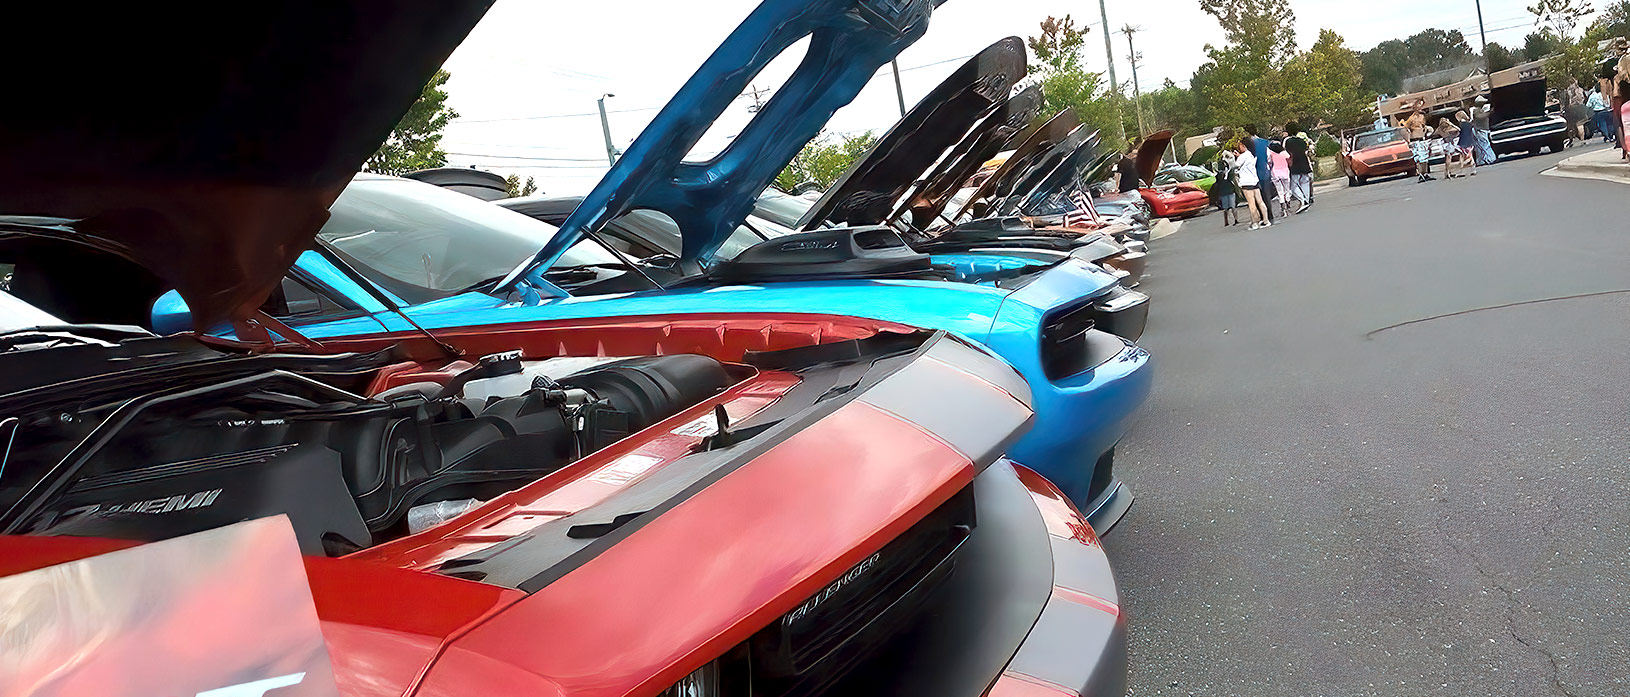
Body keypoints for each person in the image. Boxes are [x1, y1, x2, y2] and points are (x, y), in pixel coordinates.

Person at [1244, 125, 1276, 222]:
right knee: (1266, 195)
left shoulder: (1248, 144)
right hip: (1264, 170)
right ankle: (1269, 215)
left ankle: (1261, 217)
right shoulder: (1264, 142)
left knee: (1256, 196)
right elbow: (1269, 157)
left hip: (1252, 173)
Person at [1235, 141, 1269, 230]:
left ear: (1244, 146)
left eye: (1240, 146)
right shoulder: (1252, 155)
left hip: (1246, 182)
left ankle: (1255, 222)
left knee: (1251, 203)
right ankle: (1266, 220)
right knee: (1260, 201)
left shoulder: (1242, 157)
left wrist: (1234, 157)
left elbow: (1235, 166)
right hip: (1255, 180)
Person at [1284, 121, 1314, 212]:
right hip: (1304, 163)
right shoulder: (1301, 141)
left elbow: (1286, 152)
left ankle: (1302, 200)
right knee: (1304, 183)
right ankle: (1306, 200)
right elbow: (1305, 149)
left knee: (1293, 186)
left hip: (1294, 164)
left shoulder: (1287, 141)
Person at [1213, 144, 1240, 227]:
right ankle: (1228, 221)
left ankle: (1233, 220)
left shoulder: (1229, 172)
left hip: (1227, 191)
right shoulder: (1221, 174)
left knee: (1231, 207)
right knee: (1228, 208)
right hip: (1226, 191)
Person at [1404, 108, 1434, 182]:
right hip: (1416, 141)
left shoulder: (1422, 124)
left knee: (1425, 159)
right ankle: (1421, 174)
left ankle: (1425, 174)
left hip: (1422, 140)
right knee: (1420, 159)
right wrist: (1408, 140)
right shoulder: (1412, 124)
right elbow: (1406, 131)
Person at [1268, 140, 1292, 217]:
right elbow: (1289, 158)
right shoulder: (1284, 153)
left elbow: (1269, 162)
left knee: (1279, 191)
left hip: (1275, 173)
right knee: (1287, 189)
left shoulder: (1271, 154)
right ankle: (1287, 202)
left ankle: (1282, 206)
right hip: (1285, 172)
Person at [1452, 110, 1478, 176]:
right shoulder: (1469, 123)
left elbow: (1458, 132)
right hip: (1470, 141)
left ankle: (1461, 170)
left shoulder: (1461, 125)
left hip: (1463, 142)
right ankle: (1473, 169)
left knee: (1463, 156)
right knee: (1469, 155)